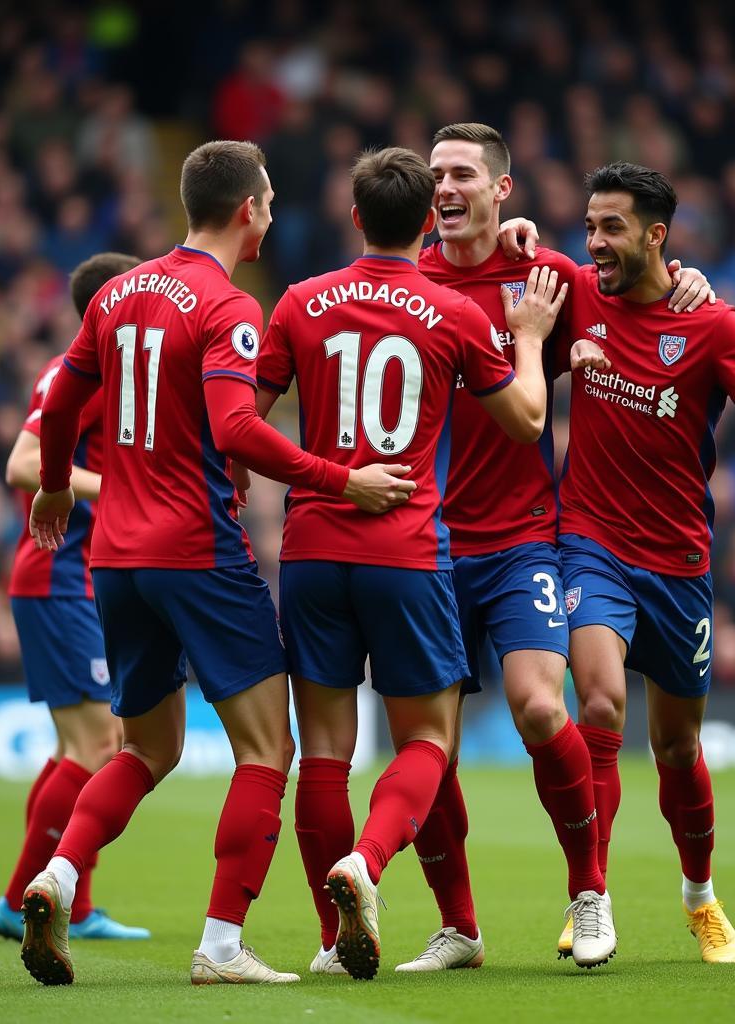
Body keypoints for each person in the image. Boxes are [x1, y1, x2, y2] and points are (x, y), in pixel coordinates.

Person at [18, 140, 412, 987]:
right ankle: (222, 944)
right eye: (267, 201)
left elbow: (59, 406)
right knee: (269, 750)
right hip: (197, 551)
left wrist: (55, 490)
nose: (270, 213)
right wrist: (341, 478)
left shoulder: (119, 292)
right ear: (248, 210)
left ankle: (55, 876)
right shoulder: (228, 306)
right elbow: (236, 431)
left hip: (115, 560)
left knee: (144, 750)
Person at [396, 122, 713, 973]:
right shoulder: (403, 281)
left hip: (527, 537)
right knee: (433, 753)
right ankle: (459, 928)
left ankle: (590, 892)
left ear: (503, 191)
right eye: (435, 175)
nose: (446, 188)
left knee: (543, 708)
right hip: (422, 545)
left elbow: (629, 293)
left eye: (463, 173)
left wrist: (684, 280)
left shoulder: (549, 275)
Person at [254, 146, 566, 981]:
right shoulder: (454, 314)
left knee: (323, 752)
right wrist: (529, 339)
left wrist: (322, 474)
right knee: (426, 739)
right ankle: (369, 861)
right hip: (407, 550)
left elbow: (243, 425)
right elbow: (528, 423)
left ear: (354, 217)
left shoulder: (298, 302)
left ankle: (331, 940)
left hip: (315, 546)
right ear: (428, 218)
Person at [558, 161, 735, 964]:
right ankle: (591, 896)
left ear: (657, 235)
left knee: (679, 749)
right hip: (590, 544)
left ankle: (699, 895)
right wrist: (515, 232)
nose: (595, 242)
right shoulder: (577, 289)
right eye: (589, 226)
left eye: (611, 227)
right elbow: (509, 268)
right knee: (600, 704)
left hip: (680, 563)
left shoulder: (713, 324)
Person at [0, 252, 149, 944]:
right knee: (99, 742)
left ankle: (67, 902)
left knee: (75, 745)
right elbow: (23, 464)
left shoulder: (112, 374)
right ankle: (29, 897)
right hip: (60, 578)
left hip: (73, 579)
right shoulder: (75, 374)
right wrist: (113, 491)